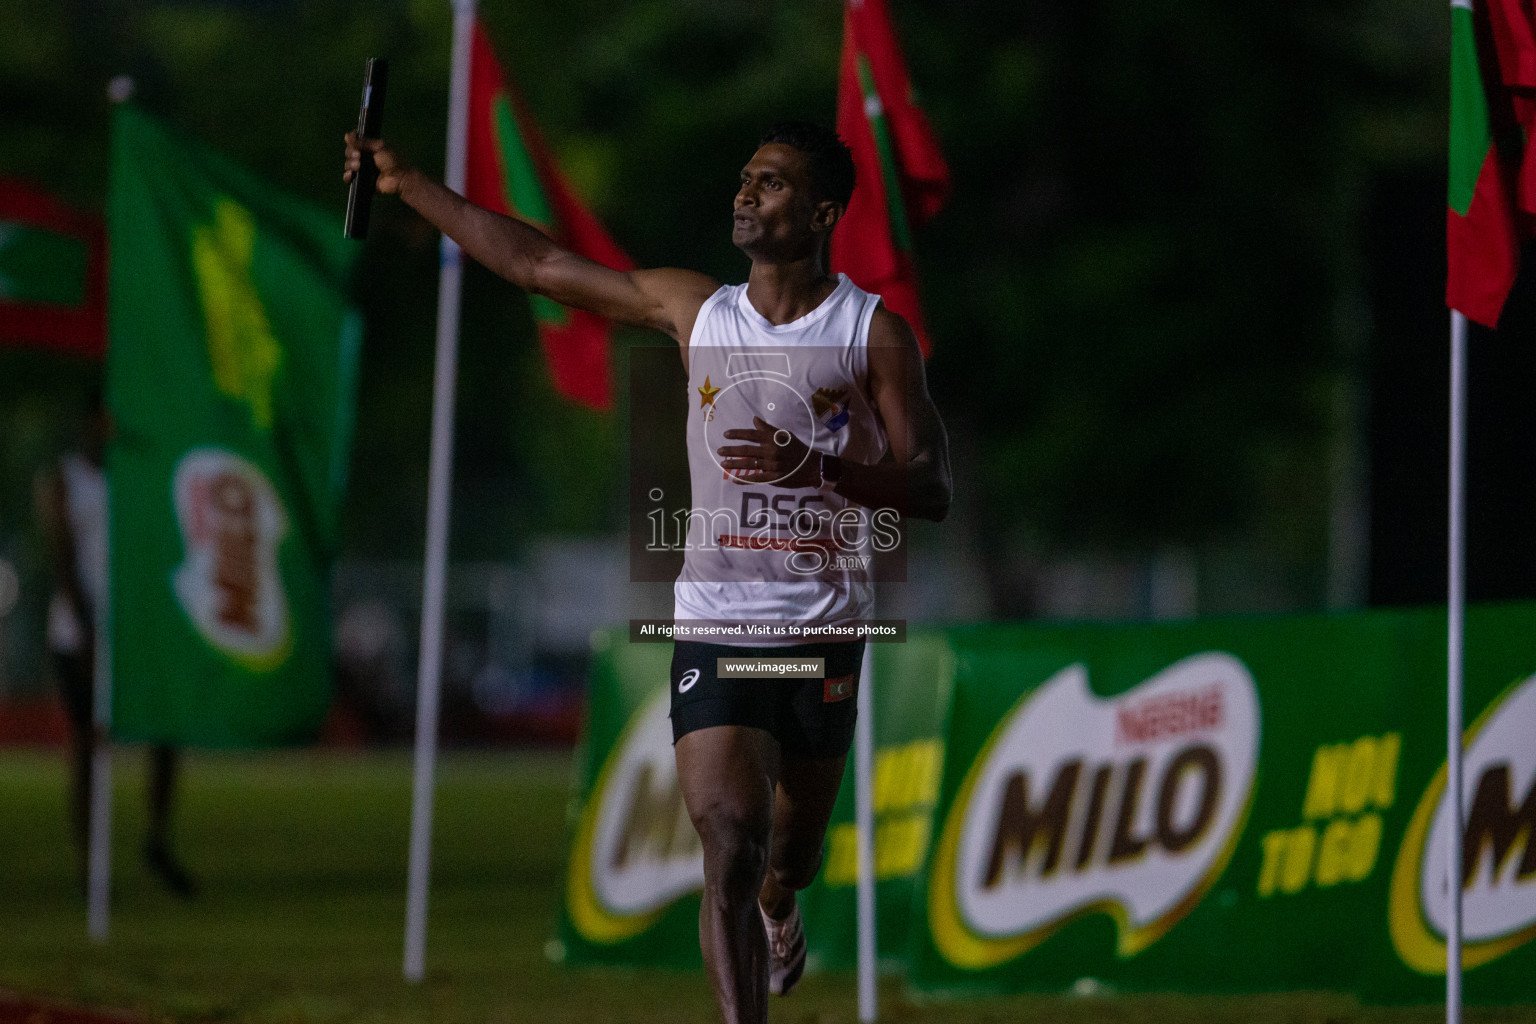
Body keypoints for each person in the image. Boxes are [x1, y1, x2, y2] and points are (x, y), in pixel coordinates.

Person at [345, 119, 951, 1023]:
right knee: (729, 841)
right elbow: (537, 265)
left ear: (822, 212)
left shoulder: (872, 333)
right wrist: (410, 185)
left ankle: (782, 909)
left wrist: (815, 468)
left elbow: (931, 484)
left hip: (819, 635)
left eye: (773, 182)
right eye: (745, 177)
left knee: (787, 857)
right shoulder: (695, 310)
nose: (746, 193)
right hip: (715, 622)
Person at [37, 388, 196, 898]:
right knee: (86, 747)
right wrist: (87, 634)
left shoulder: (139, 476)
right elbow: (62, 560)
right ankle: (88, 865)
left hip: (135, 632)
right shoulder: (65, 480)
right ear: (92, 419)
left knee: (165, 731)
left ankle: (157, 838)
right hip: (76, 632)